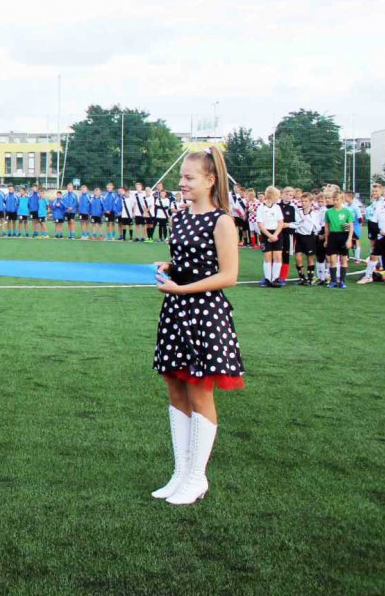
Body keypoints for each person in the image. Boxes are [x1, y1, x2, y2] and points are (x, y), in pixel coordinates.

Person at [151, 147, 242, 506]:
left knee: (200, 391)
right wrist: (170, 267)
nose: (182, 183)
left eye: (189, 178)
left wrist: (183, 288)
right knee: (175, 388)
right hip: (176, 310)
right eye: (182, 177)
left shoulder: (222, 221)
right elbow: (188, 260)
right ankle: (180, 472)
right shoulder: (180, 217)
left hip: (204, 313)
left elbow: (229, 275)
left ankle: (196, 477)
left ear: (211, 180)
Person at [322, 189, 354, 288]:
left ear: (342, 200)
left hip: (343, 236)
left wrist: (349, 240)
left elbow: (350, 227)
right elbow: (327, 227)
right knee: (332, 259)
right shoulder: (328, 212)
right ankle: (333, 281)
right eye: (334, 199)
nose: (335, 202)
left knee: (343, 259)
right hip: (333, 236)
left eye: (337, 200)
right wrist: (326, 239)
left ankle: (342, 281)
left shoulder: (347, 212)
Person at [256, 186, 285, 287]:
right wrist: (269, 235)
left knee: (278, 256)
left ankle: (275, 279)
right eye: (277, 196)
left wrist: (275, 235)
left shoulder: (277, 207)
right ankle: (267, 279)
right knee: (267, 257)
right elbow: (260, 224)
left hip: (277, 233)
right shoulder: (261, 207)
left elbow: (281, 222)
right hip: (266, 234)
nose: (278, 198)